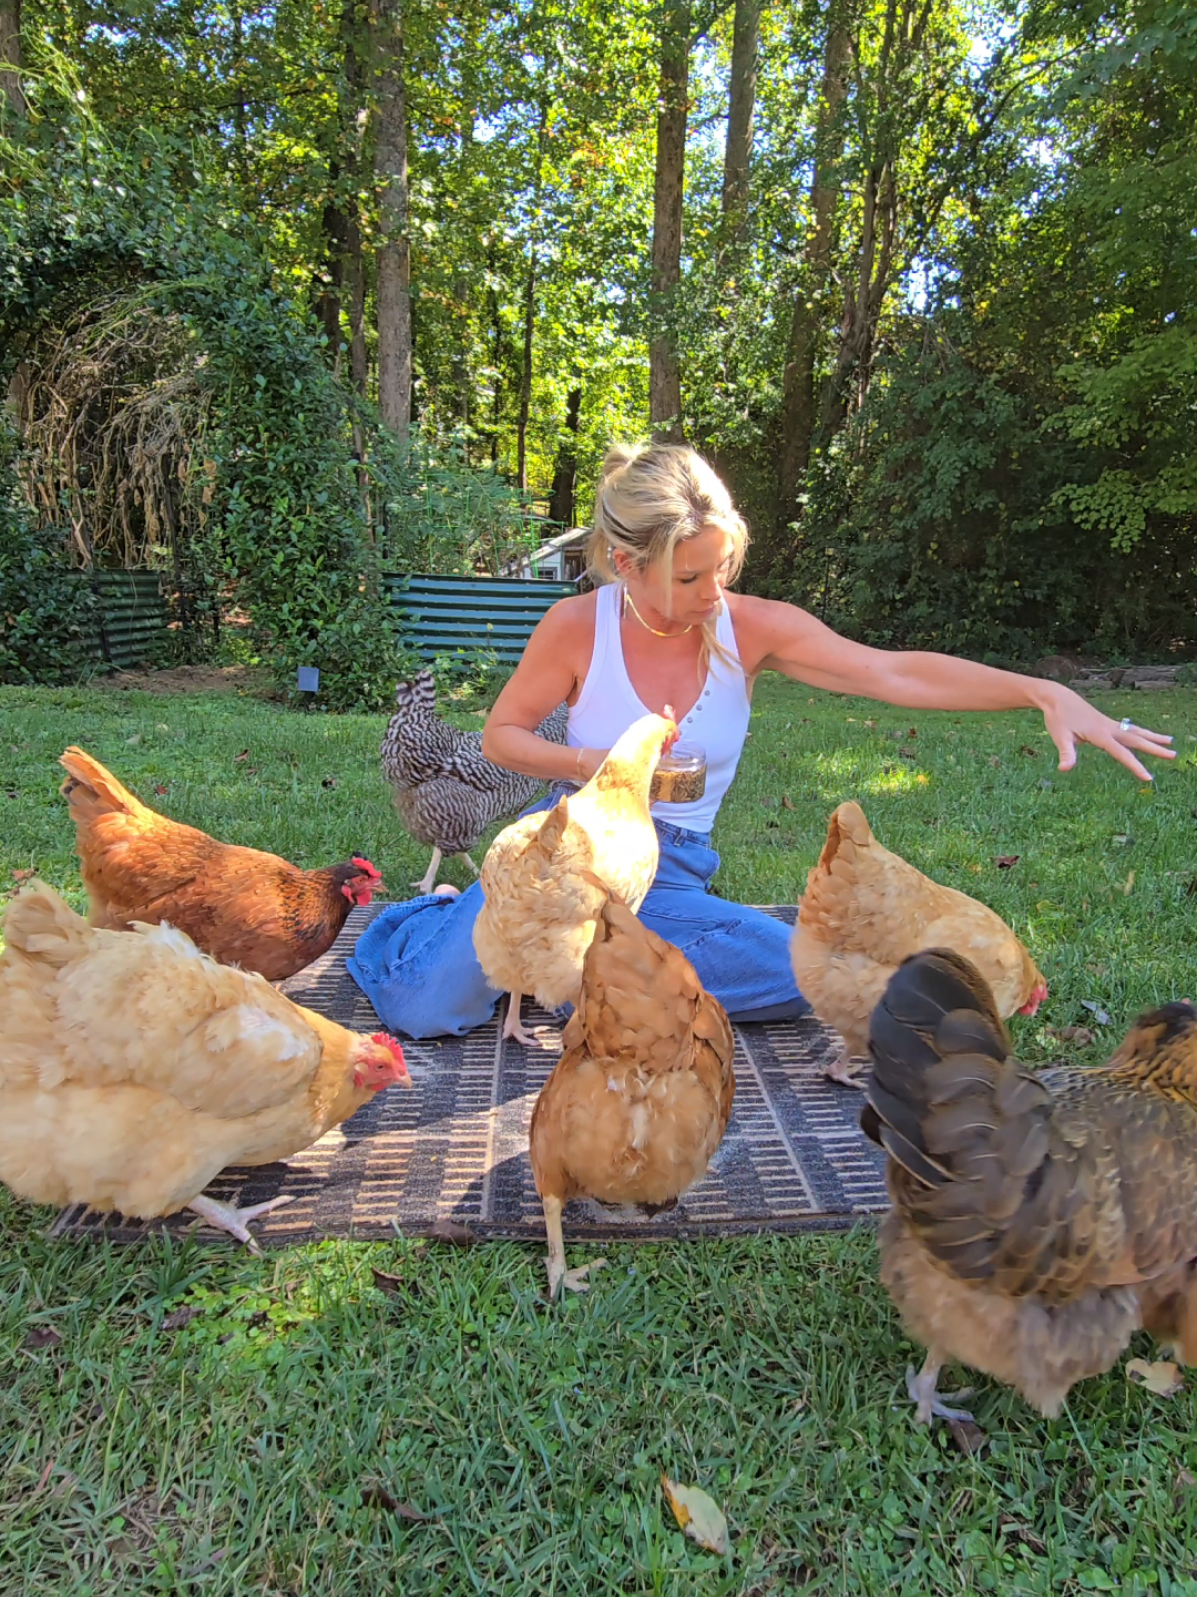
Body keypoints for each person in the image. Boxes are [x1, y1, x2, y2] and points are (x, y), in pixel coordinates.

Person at [349, 443, 1174, 1040]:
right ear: (627, 563)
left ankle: (592, 976)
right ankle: (433, 920)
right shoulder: (575, 626)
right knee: (426, 1006)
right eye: (689, 576)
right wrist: (594, 767)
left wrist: (1040, 690)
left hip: (669, 871)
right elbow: (500, 736)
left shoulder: (753, 629)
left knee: (808, 979)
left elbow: (893, 673)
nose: (714, 593)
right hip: (566, 852)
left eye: (722, 568)